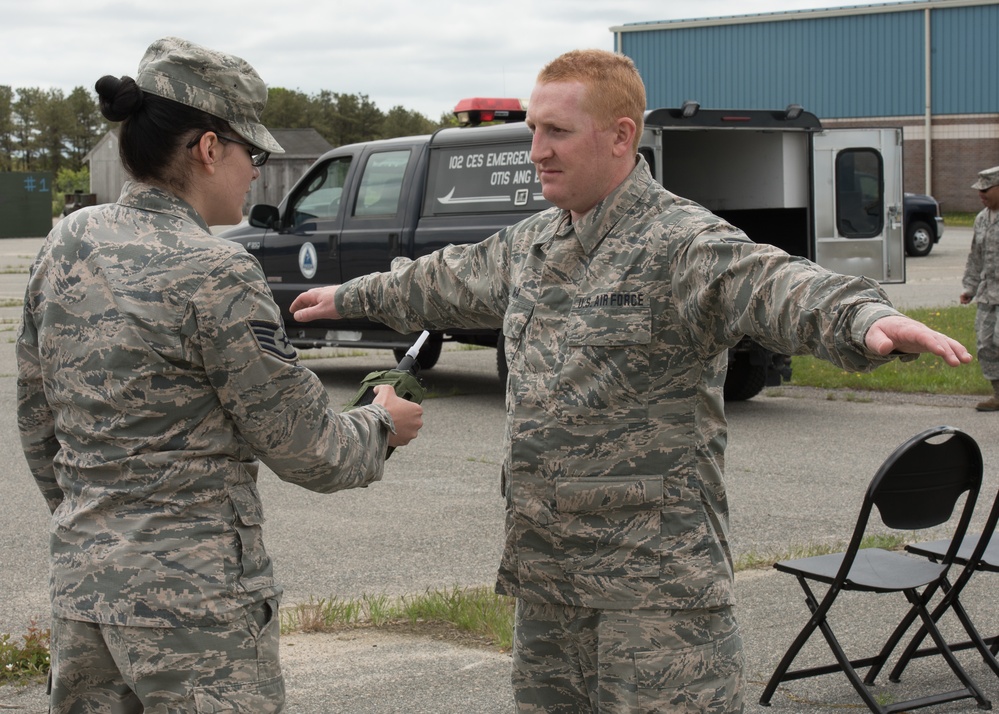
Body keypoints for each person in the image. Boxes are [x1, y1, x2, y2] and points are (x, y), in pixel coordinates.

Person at [290, 49, 971, 713]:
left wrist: (861, 316)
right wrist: (349, 296)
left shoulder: (680, 241)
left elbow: (771, 280)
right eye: (533, 130)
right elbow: (442, 279)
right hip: (549, 580)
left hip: (654, 594)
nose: (536, 151)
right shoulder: (532, 245)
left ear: (620, 136)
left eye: (556, 131)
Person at [16, 37, 423, 714]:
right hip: (195, 615)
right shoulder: (219, 270)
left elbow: (37, 422)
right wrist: (381, 423)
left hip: (83, 593)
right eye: (251, 155)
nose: (252, 174)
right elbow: (309, 449)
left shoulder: (69, 240)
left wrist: (93, 528)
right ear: (209, 148)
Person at [960, 165, 999, 412]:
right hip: (988, 292)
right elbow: (976, 256)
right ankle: (998, 394)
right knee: (985, 344)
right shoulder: (982, 218)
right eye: (979, 190)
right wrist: (969, 287)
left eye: (986, 189)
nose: (981, 194)